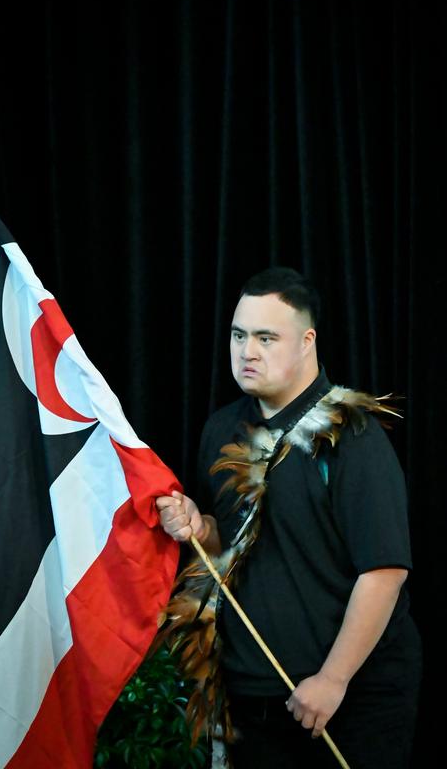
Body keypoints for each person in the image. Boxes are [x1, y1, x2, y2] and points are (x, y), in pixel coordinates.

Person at [156, 267, 422, 769]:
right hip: (250, 694)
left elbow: (384, 572)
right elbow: (227, 543)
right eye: (238, 335)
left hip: (349, 698)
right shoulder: (222, 428)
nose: (247, 351)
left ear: (306, 341)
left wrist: (333, 680)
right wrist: (198, 525)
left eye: (265, 337)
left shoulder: (351, 435)